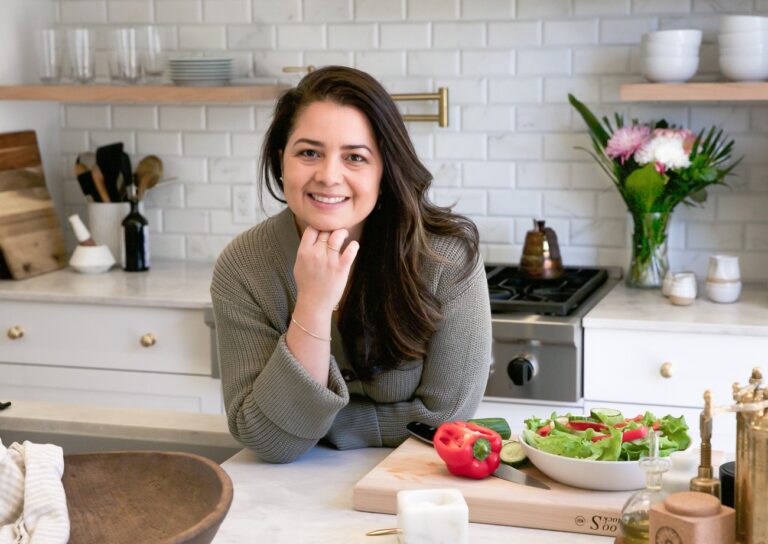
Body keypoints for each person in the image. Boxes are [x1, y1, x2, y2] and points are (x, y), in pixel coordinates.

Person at [210, 66, 492, 463]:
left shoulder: (446, 258)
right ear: (281, 160)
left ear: (384, 170)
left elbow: (445, 419)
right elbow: (266, 439)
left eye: (355, 157)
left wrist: (321, 426)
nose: (328, 176)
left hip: (414, 482)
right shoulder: (243, 267)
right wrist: (313, 302)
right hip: (289, 491)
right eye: (309, 153)